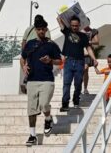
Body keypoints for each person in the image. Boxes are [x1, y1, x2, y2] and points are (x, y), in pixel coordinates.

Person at [20, 18, 62, 146]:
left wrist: (50, 60)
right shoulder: (30, 44)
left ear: (46, 29)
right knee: (31, 109)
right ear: (36, 30)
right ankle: (32, 135)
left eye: (43, 29)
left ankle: (48, 118)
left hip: (47, 80)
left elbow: (59, 61)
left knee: (44, 104)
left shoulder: (51, 44)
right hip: (32, 80)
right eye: (39, 29)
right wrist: (24, 67)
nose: (41, 31)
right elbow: (22, 58)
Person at [57, 15, 98, 112]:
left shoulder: (83, 36)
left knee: (78, 83)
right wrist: (61, 15)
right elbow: (59, 20)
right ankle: (65, 104)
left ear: (79, 25)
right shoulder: (67, 32)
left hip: (80, 62)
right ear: (70, 25)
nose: (74, 27)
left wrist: (94, 59)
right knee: (66, 83)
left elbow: (88, 48)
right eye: (73, 25)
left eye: (76, 25)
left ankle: (76, 100)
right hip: (68, 61)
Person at [20, 15, 51, 94]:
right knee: (30, 67)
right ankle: (28, 82)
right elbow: (48, 40)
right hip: (32, 50)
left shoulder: (31, 28)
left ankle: (27, 81)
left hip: (34, 51)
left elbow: (24, 41)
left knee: (30, 67)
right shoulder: (38, 29)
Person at [81, 19, 99, 94]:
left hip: (88, 52)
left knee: (86, 69)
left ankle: (85, 88)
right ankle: (79, 86)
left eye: (87, 22)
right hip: (79, 52)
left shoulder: (93, 31)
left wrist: (89, 42)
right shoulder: (79, 30)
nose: (85, 24)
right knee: (81, 70)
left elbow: (97, 42)